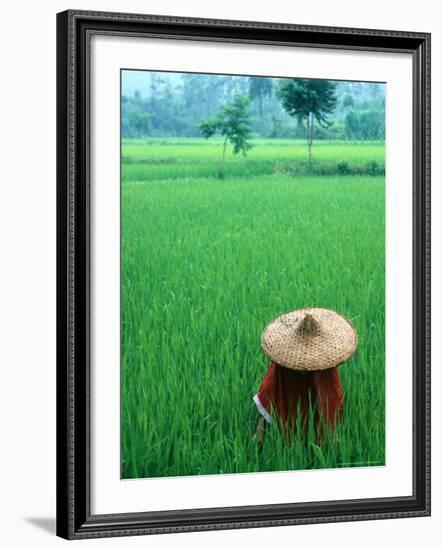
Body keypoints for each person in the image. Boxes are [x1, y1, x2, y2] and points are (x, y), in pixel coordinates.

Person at [252, 307, 358, 444]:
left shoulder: (323, 368)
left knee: (320, 391)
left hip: (312, 379)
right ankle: (269, 427)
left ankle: (323, 433)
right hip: (290, 381)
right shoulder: (284, 364)